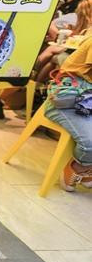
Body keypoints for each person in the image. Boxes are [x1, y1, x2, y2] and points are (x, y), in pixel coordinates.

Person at [45, 37, 92, 192]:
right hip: (70, 100)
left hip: (85, 100)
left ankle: (87, 167)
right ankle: (78, 167)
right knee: (90, 143)